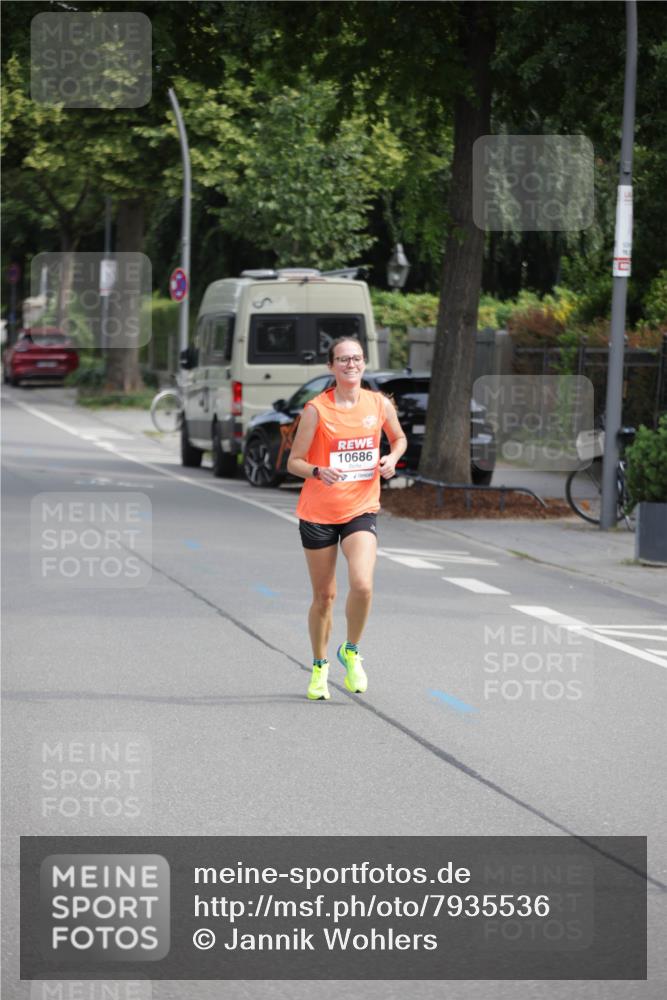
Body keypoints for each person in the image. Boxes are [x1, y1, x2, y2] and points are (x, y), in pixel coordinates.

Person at [287, 337, 407, 700]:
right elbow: (294, 461)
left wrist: (391, 459)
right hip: (318, 512)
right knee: (324, 596)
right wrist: (317, 471)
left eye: (355, 358)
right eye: (342, 359)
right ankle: (320, 667)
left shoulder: (379, 404)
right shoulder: (316, 410)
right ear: (331, 367)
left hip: (361, 508)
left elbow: (398, 439)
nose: (350, 364)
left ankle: (350, 650)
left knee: (363, 584)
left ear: (364, 363)